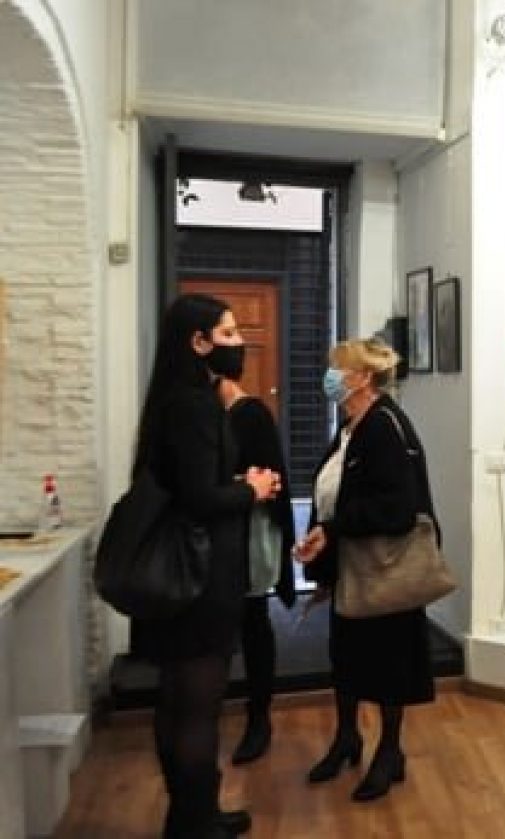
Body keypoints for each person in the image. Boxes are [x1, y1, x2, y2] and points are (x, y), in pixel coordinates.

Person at [129, 294, 281, 838]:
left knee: (177, 700)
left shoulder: (170, 399)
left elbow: (185, 486)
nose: (240, 344)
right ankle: (195, 823)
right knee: (195, 706)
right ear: (198, 342)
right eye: (229, 333)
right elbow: (199, 498)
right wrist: (251, 489)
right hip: (198, 577)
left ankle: (189, 816)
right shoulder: (194, 406)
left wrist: (233, 485)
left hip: (177, 573)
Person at [295, 338, 440, 803]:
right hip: (352, 568)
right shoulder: (350, 426)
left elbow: (396, 507)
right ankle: (347, 739)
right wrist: (321, 537)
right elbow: (335, 492)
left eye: (337, 369)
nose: (330, 377)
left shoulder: (383, 426)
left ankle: (390, 751)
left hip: (385, 569)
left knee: (388, 662)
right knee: (348, 657)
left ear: (361, 378)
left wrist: (333, 529)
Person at [215, 366, 297, 765]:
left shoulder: (251, 415)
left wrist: (238, 484)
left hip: (247, 538)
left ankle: (258, 717)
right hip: (216, 538)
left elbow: (271, 481)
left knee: (253, 624)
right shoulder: (206, 417)